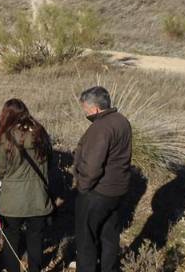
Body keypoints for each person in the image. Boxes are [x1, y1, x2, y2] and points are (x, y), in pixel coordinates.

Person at [74, 87, 132, 272]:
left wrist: (83, 187)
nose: (85, 113)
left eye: (86, 109)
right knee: (109, 236)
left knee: (86, 239)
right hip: (118, 190)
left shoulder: (100, 128)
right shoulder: (122, 120)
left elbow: (92, 166)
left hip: (98, 192)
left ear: (95, 108)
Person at [0, 99, 53, 272]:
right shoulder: (40, 133)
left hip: (12, 199)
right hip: (38, 196)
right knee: (35, 238)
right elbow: (49, 163)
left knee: (11, 239)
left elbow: (0, 170)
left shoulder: (6, 137)